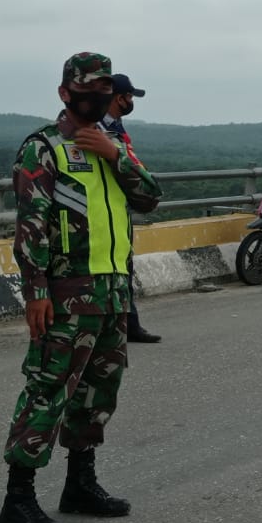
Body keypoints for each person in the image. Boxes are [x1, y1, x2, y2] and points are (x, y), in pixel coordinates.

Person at [0, 52, 163, 523]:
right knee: (47, 391)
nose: (97, 99)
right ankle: (18, 497)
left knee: (96, 396)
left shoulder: (112, 147)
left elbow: (150, 196)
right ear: (65, 94)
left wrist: (115, 154)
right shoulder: (43, 150)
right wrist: (36, 291)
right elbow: (32, 227)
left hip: (112, 293)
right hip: (67, 295)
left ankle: (79, 484)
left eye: (104, 91)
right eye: (88, 91)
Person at [103, 72, 160, 344]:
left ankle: (130, 324)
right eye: (129, 97)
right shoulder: (97, 129)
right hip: (99, 212)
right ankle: (119, 326)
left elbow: (130, 161)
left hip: (118, 210)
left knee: (124, 268)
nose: (131, 101)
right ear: (118, 98)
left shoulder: (116, 126)